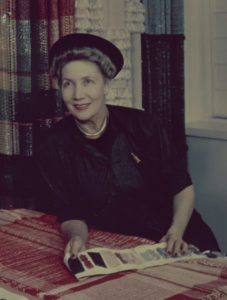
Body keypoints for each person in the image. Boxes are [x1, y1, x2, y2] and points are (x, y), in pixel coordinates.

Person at [35, 33, 220, 260]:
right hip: (122, 247)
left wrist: (175, 232)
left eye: (88, 82)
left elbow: (182, 188)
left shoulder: (144, 126)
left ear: (106, 85)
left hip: (179, 237)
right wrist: (77, 237)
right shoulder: (52, 145)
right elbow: (69, 212)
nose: (78, 95)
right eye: (67, 84)